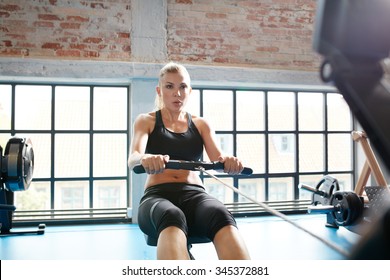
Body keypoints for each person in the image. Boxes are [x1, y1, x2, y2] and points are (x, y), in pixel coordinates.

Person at [128, 62, 250, 260]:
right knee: (171, 216)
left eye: (182, 86)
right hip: (157, 196)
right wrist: (145, 158)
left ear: (189, 90)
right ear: (159, 91)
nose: (177, 93)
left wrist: (229, 161)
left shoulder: (201, 124)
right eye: (170, 86)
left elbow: (218, 159)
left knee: (221, 214)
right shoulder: (146, 121)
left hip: (195, 195)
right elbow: (133, 157)